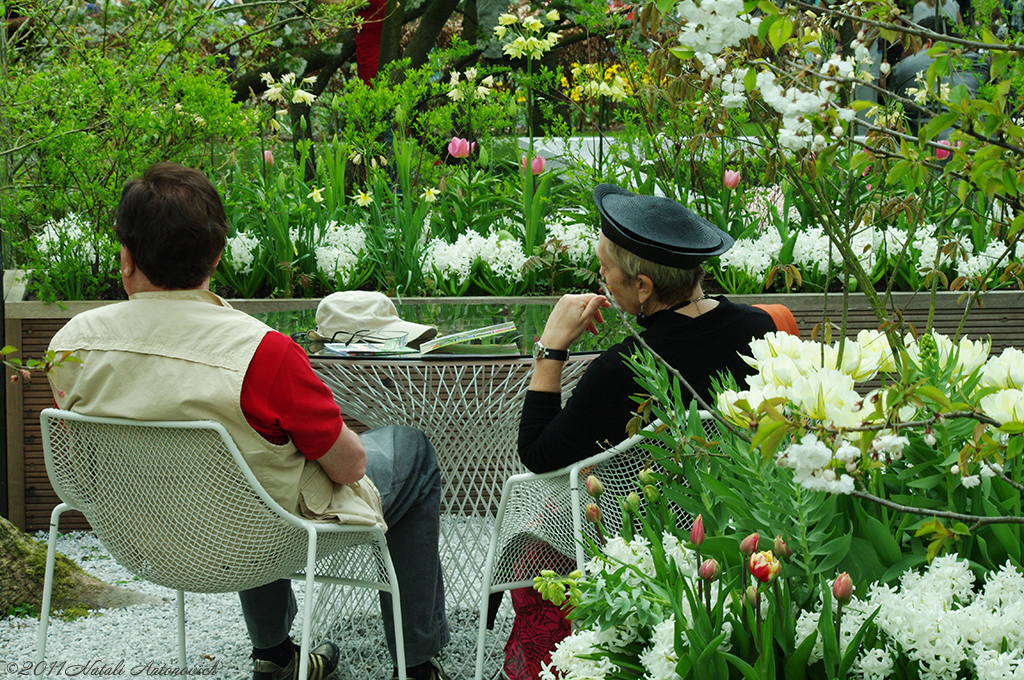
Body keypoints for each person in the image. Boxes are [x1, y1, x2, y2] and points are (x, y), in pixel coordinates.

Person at [46, 162, 450, 680]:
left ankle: (275, 655)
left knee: (250, 470)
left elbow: (79, 466)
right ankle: (416, 663)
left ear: (125, 258)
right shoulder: (263, 353)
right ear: (217, 257)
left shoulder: (70, 346)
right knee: (408, 448)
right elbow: (349, 468)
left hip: (139, 536)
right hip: (262, 535)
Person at [518, 184, 778, 474]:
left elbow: (536, 455)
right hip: (749, 510)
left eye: (606, 267)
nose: (602, 275)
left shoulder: (623, 370)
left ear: (643, 286)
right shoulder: (760, 327)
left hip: (648, 515)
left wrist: (550, 349)